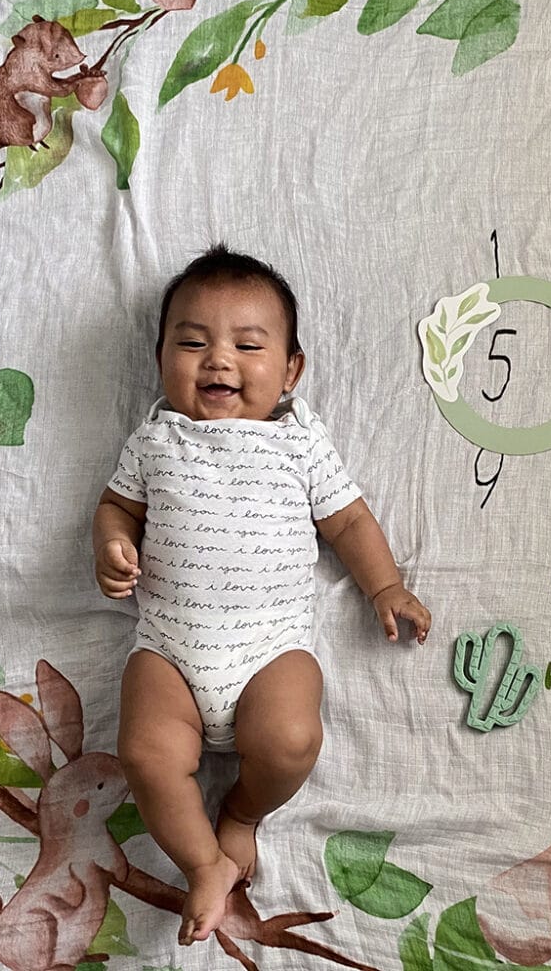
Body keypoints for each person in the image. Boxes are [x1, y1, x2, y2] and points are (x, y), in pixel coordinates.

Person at [93, 246, 431, 946]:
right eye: (192, 343)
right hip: (169, 650)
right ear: (161, 357)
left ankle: (242, 813)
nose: (218, 360)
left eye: (248, 345)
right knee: (145, 753)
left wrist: (386, 585)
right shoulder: (156, 438)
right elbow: (117, 508)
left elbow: (348, 520)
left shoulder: (299, 442)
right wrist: (112, 546)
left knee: (293, 739)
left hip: (269, 647)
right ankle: (204, 862)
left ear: (289, 371)